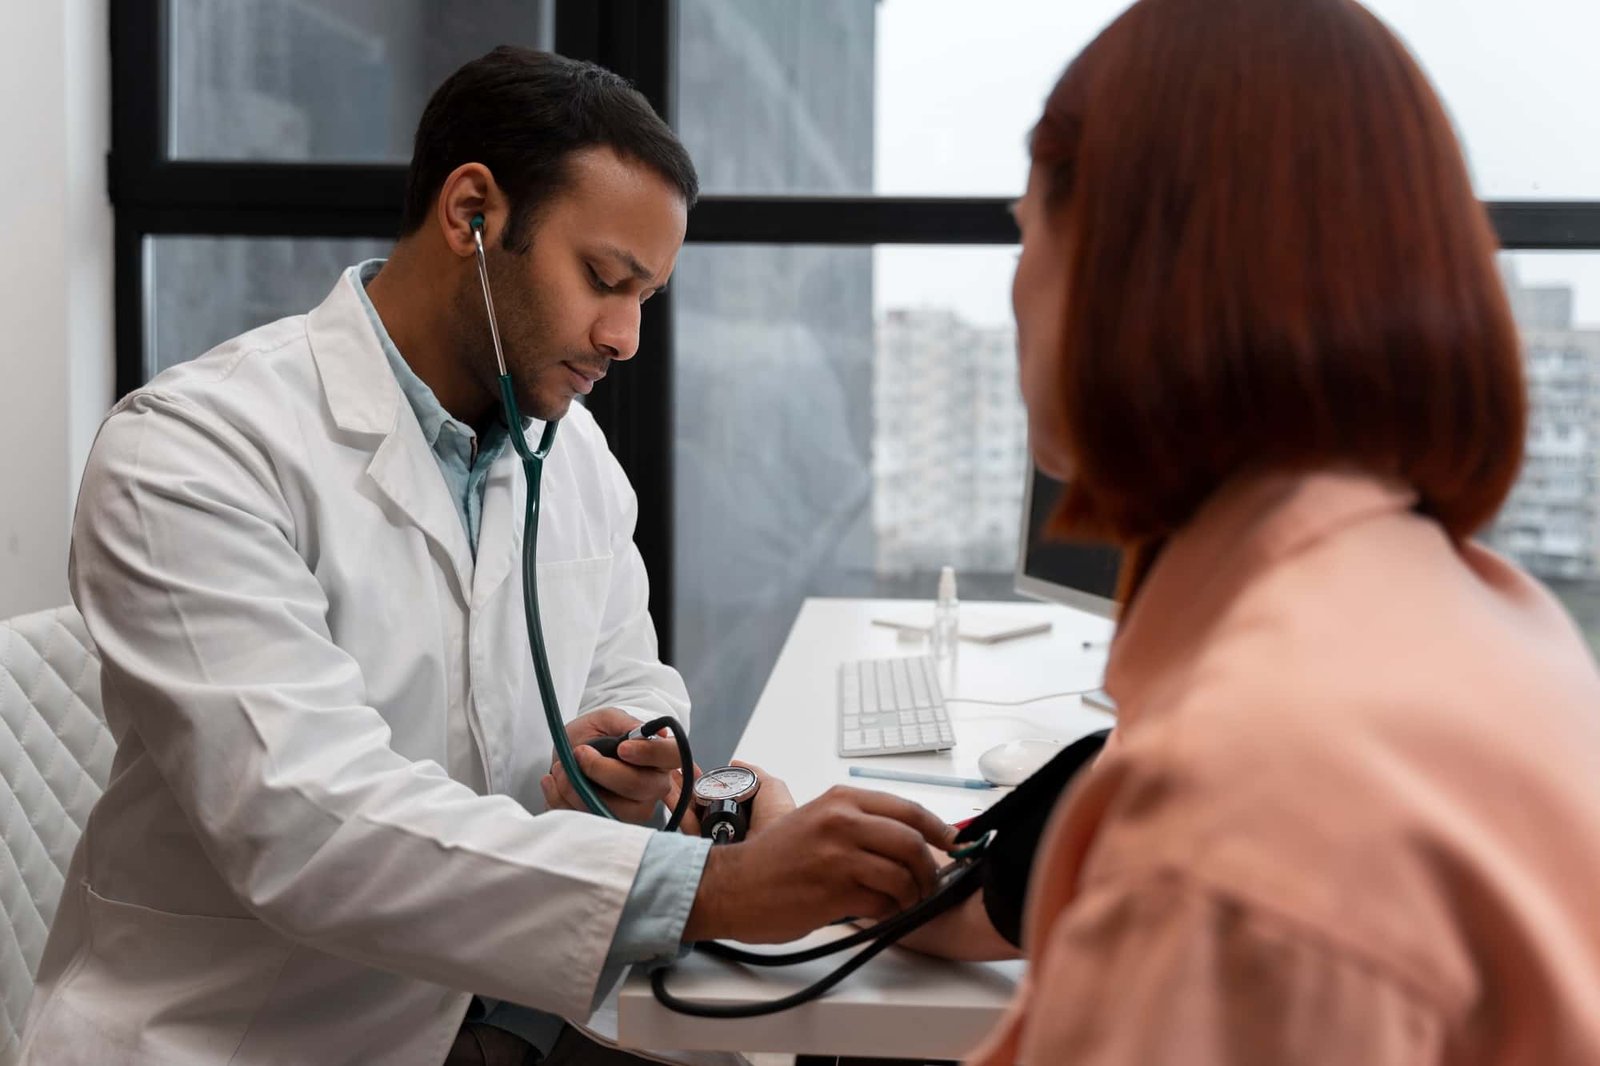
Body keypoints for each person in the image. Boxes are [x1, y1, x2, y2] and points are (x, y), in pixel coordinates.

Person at [19, 48, 954, 1066]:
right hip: (246, 1036)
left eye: (647, 295)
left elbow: (626, 675)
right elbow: (308, 827)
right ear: (472, 215)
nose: (626, 336)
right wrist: (717, 888)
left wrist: (640, 760)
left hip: (493, 1009)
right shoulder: (194, 451)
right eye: (604, 279)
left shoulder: (569, 450)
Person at [961, 0, 1600, 1061]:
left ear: (1131, 274)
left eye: (1028, 231)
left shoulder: (1232, 825)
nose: (1014, 289)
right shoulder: (1503, 624)